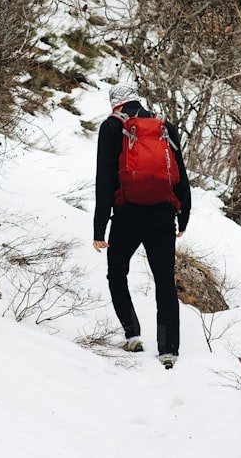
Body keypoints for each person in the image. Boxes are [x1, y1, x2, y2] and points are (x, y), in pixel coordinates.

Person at [93, 83, 191, 368]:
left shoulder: (112, 127)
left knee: (117, 273)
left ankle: (133, 334)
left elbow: (104, 179)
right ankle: (168, 349)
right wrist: (183, 216)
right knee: (164, 281)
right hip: (163, 214)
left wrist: (99, 228)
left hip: (127, 215)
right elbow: (180, 175)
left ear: (116, 105)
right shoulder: (164, 126)